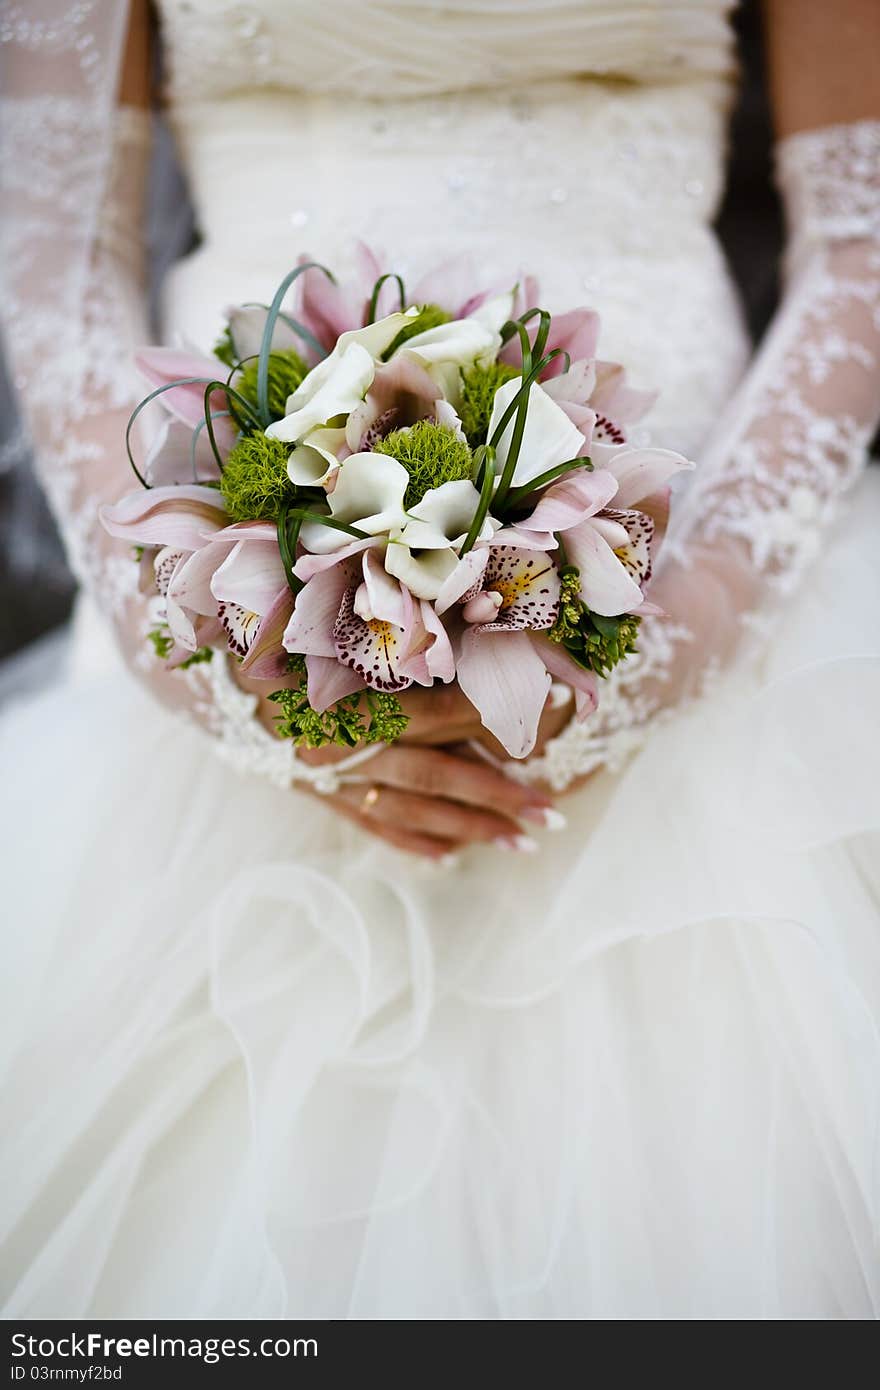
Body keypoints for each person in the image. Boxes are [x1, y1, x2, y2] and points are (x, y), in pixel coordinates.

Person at [2, 0, 879, 1318]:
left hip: (705, 605)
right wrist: (205, 666)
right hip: (236, 621)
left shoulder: (689, 613)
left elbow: (859, 239)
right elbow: (57, 250)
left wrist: (675, 623)